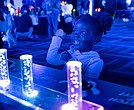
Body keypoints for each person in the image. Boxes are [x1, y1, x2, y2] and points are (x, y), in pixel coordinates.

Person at [46, 12, 113, 88]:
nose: (75, 35)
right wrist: (57, 38)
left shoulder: (95, 61)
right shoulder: (72, 52)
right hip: (65, 87)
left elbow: (87, 84)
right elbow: (51, 59)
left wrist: (71, 61)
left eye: (83, 32)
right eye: (74, 30)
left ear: (95, 39)